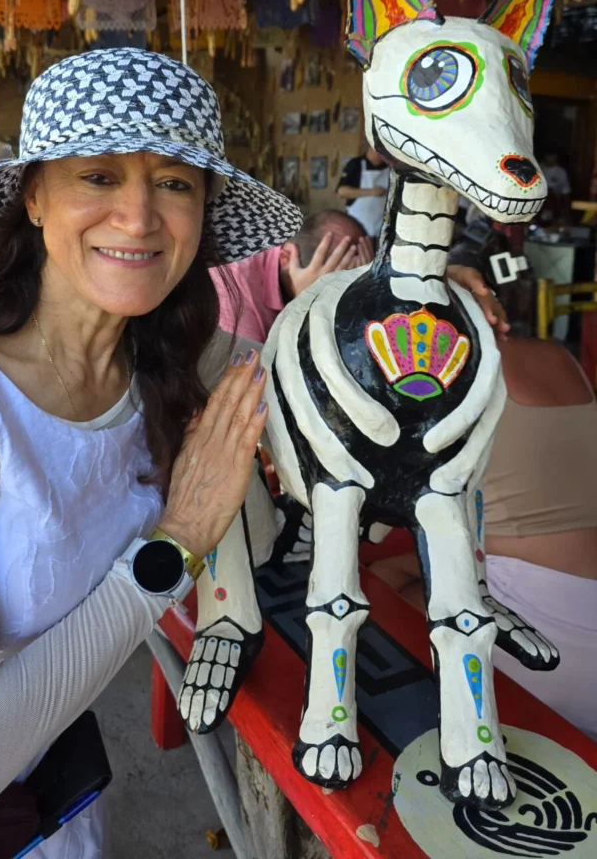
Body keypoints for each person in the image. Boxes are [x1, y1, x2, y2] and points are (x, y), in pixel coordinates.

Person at [0, 48, 294, 858]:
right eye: (99, 177)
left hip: (51, 797)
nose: (139, 217)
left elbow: (306, 366)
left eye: (174, 183)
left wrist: (415, 312)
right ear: (35, 197)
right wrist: (178, 542)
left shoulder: (166, 355)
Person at [368, 337, 597, 740]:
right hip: (570, 600)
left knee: (376, 594)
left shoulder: (442, 371)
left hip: (547, 642)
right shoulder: (558, 356)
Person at [212, 208, 510, 346]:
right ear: (286, 257)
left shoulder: (349, 262)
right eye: (328, 283)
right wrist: (304, 307)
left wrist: (447, 275)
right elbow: (257, 386)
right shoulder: (232, 291)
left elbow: (397, 275)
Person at [211, 209, 374, 343]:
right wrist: (303, 308)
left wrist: (366, 284)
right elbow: (262, 371)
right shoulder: (234, 294)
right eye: (329, 295)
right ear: (286, 258)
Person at [335, 143, 390, 238]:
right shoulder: (355, 164)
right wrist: (372, 192)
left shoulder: (390, 168)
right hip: (358, 227)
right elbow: (341, 192)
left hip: (381, 230)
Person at [539, 149, 571, 225]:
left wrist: (566, 208)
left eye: (552, 158)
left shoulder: (561, 172)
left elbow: (566, 190)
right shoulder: (539, 168)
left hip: (555, 202)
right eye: (548, 158)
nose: (550, 160)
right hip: (540, 201)